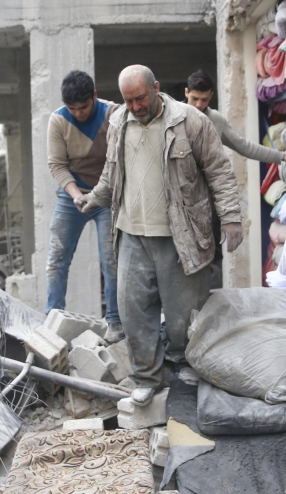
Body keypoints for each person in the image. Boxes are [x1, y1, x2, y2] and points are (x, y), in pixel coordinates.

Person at [76, 65, 242, 406]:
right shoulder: (119, 122)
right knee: (133, 311)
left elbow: (219, 171)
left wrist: (231, 218)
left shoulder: (190, 121)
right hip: (131, 234)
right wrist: (96, 196)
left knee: (184, 313)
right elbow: (111, 171)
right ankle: (147, 376)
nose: (135, 107)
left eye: (140, 98)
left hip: (179, 234)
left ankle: (186, 364)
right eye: (128, 100)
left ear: (156, 87)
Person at [46, 70, 122, 343]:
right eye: (72, 109)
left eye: (84, 107)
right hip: (72, 197)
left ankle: (115, 322)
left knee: (111, 261)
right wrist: (76, 194)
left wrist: (99, 194)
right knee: (57, 259)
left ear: (95, 96)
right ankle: (52, 320)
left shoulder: (114, 115)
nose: (78, 113)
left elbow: (119, 160)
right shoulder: (58, 120)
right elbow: (57, 164)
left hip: (106, 196)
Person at [184, 69, 286, 165]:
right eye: (195, 98)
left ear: (211, 95)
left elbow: (244, 146)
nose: (199, 104)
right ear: (186, 92)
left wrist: (282, 156)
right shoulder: (175, 117)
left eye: (204, 100)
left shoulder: (216, 120)